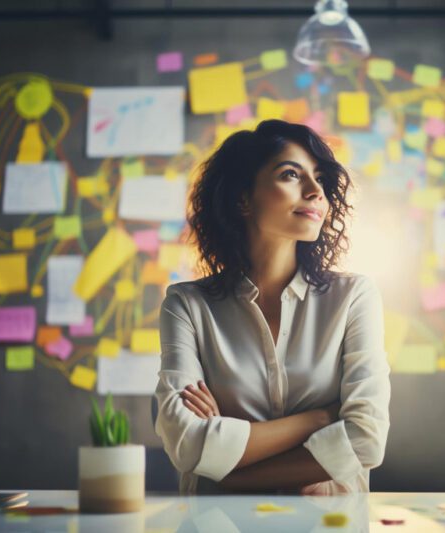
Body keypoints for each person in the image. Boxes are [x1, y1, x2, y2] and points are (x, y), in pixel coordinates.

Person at [154, 119, 390, 495]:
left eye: (320, 180)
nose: (316, 192)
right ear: (242, 199)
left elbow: (366, 439)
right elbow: (187, 444)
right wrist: (321, 417)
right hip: (220, 524)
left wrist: (230, 471)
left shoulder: (354, 297)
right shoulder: (186, 305)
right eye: (291, 174)